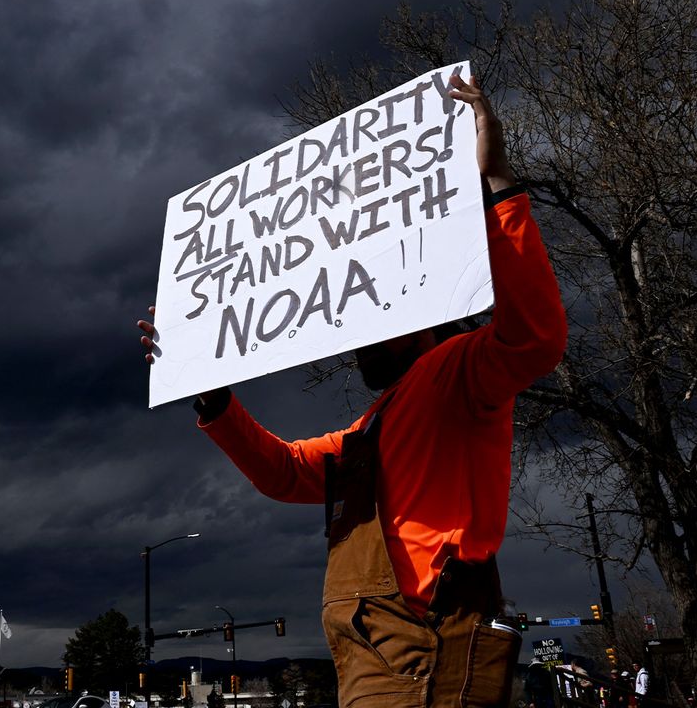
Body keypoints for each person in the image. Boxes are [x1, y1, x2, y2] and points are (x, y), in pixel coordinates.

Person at [138, 75, 567, 707]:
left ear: (425, 307)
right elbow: (284, 473)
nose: (355, 336)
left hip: (428, 644)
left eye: (372, 315)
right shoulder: (369, 427)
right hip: (372, 655)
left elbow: (534, 339)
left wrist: (497, 187)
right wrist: (212, 395)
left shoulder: (458, 368)